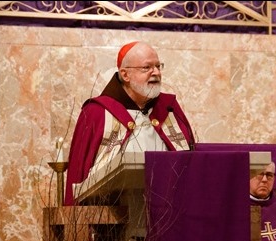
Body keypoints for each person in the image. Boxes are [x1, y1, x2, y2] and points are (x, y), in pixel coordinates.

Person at [65, 41, 195, 206]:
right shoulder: (97, 112)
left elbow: (189, 162)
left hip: (168, 210)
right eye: (146, 68)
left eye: (158, 66)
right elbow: (79, 169)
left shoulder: (169, 108)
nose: (155, 72)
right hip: (111, 218)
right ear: (125, 75)